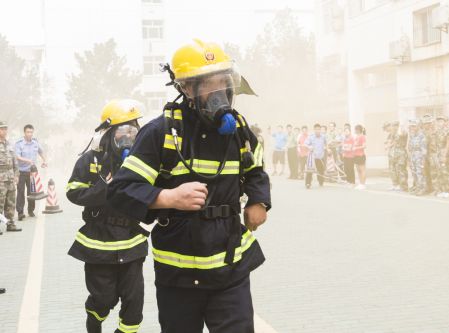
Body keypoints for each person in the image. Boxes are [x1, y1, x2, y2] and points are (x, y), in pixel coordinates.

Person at [107, 39, 271, 333]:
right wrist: (168, 196)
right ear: (186, 88)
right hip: (179, 273)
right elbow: (121, 190)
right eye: (209, 83)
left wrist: (259, 201)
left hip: (229, 265)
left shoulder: (239, 129)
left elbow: (255, 169)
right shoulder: (161, 133)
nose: (219, 91)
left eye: (224, 80)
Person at [66, 100, 148, 333]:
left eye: (133, 131)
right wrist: (103, 187)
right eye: (122, 132)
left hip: (132, 241)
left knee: (134, 306)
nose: (128, 138)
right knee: (103, 299)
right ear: (109, 133)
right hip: (98, 242)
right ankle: (94, 321)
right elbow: (73, 192)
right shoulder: (90, 160)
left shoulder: (140, 161)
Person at [15, 124, 47, 220]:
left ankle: (30, 210)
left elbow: (41, 151)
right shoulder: (19, 143)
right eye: (28, 132)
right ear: (24, 132)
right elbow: (17, 156)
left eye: (31, 132)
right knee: (21, 192)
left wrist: (44, 161)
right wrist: (27, 160)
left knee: (32, 192)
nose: (30, 134)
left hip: (32, 172)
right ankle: (20, 212)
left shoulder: (35, 143)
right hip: (21, 172)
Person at [0, 121, 22, 232]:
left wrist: (16, 175)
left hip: (10, 180)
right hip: (1, 181)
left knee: (11, 204)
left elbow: (15, 162)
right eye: (2, 129)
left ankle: (10, 224)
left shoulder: (9, 144)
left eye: (5, 129)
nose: (4, 131)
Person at [304, 123, 327, 188]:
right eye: (316, 129)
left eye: (319, 129)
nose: (317, 131)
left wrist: (326, 148)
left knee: (320, 170)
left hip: (320, 157)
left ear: (320, 130)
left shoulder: (323, 137)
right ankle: (308, 183)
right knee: (309, 171)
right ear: (314, 130)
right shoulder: (311, 137)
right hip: (312, 157)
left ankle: (321, 182)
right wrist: (309, 147)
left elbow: (326, 144)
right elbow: (305, 144)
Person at [407, 120, 427, 196]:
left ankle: (422, 188)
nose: (412, 127)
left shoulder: (422, 135)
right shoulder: (412, 135)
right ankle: (418, 187)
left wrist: (423, 160)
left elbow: (424, 149)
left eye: (414, 126)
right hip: (413, 155)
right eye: (411, 126)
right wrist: (410, 157)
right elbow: (410, 147)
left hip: (419, 155)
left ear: (418, 126)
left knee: (420, 173)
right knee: (414, 172)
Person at [435, 116, 449, 197]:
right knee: (439, 172)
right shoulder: (437, 131)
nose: (439, 123)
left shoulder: (447, 131)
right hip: (438, 152)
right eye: (438, 121)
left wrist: (445, 155)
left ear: (444, 122)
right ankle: (441, 189)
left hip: (444, 152)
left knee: (445, 172)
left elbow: (448, 143)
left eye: (441, 121)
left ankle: (447, 190)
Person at [389, 121, 408, 192]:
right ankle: (397, 185)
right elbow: (392, 142)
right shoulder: (393, 133)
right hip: (395, 154)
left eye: (395, 126)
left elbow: (404, 134)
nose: (394, 127)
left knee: (401, 170)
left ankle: (404, 186)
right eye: (393, 126)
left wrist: (401, 127)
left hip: (401, 153)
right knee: (395, 170)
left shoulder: (402, 132)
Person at [353, 124, 367, 189]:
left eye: (356, 129)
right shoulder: (356, 137)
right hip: (356, 155)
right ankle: (360, 183)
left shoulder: (362, 136)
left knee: (362, 170)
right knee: (358, 170)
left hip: (361, 155)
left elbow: (364, 146)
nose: (355, 131)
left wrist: (356, 148)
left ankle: (363, 184)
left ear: (358, 130)